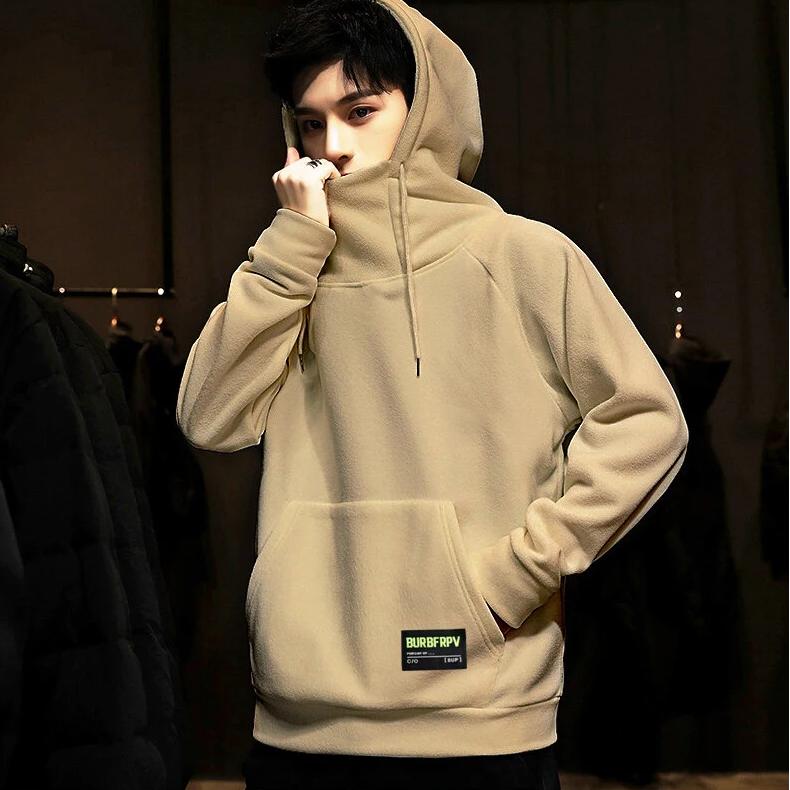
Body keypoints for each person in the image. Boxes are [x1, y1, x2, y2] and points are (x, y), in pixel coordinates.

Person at [175, 0, 689, 787]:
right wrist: (289, 254)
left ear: (425, 109)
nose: (333, 146)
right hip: (300, 723)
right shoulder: (291, 271)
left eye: (360, 111)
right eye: (310, 123)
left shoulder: (519, 255)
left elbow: (647, 421)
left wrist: (514, 578)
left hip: (478, 717)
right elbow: (208, 418)